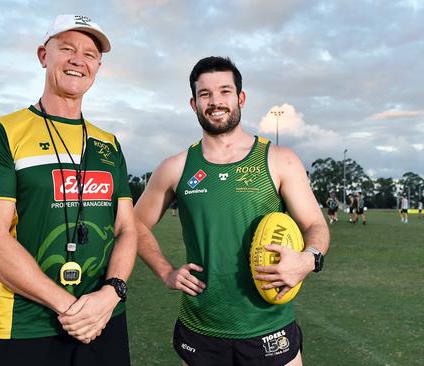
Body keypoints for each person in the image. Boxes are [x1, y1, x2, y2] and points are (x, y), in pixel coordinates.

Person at [135, 56, 330, 366]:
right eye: (205, 94)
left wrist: (309, 260)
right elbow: (134, 224)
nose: (215, 102)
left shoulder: (280, 160)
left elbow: (315, 225)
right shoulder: (175, 167)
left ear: (241, 98)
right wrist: (165, 271)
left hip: (270, 326)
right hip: (201, 327)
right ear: (193, 103)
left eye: (225, 91)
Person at [0, 15, 137, 366]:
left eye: (90, 54)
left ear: (98, 66)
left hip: (105, 321)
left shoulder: (108, 144)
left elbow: (126, 229)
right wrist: (71, 308)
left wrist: (111, 293)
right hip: (26, 327)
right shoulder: (3, 132)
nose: (79, 60)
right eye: (67, 49)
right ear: (43, 55)